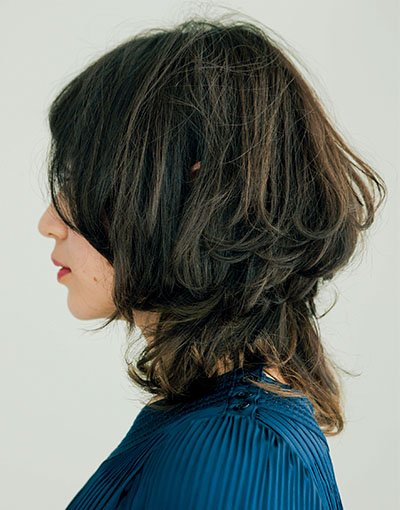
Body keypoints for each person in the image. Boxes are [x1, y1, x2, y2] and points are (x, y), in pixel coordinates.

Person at [37, 15, 386, 510]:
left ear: (194, 191)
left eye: (79, 179)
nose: (48, 222)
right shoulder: (220, 429)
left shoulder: (234, 449)